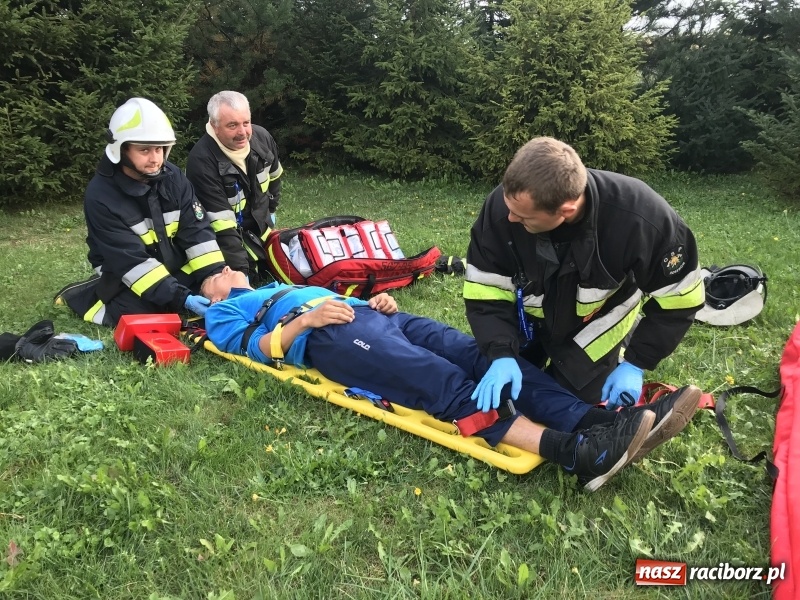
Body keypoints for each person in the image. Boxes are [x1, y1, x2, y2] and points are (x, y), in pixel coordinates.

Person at [200, 267, 703, 492]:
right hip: (328, 342)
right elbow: (260, 350)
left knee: (482, 357)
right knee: (443, 382)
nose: (225, 268)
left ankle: (601, 422)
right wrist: (305, 322)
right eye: (216, 274)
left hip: (379, 319)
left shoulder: (275, 284)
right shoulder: (224, 313)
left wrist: (376, 304)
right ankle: (575, 452)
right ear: (214, 294)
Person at [464, 137, 705, 412]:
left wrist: (636, 363)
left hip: (594, 328)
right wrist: (501, 352)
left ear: (566, 211)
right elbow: (485, 290)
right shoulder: (504, 208)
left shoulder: (642, 219)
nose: (510, 219)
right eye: (509, 208)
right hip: (528, 322)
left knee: (563, 406)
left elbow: (681, 300)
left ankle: (611, 354)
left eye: (524, 217)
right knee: (507, 394)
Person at [54, 97, 226, 327]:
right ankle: (86, 292)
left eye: (159, 148)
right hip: (126, 270)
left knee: (217, 287)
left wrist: (213, 278)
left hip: (171, 263)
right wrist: (182, 298)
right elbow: (130, 260)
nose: (155, 158)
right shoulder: (101, 196)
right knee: (142, 313)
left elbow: (197, 232)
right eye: (144, 150)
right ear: (121, 150)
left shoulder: (174, 178)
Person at [185, 90, 284, 284]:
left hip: (260, 229)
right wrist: (241, 275)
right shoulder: (201, 161)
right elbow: (221, 226)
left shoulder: (262, 138)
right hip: (224, 238)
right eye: (232, 125)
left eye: (245, 123)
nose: (242, 133)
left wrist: (270, 211)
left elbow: (275, 178)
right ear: (215, 126)